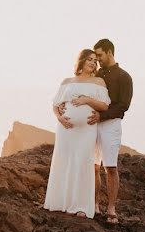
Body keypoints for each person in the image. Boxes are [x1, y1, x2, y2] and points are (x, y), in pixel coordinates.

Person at [44, 49, 110, 218]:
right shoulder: (67, 81)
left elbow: (105, 106)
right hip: (66, 129)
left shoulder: (99, 82)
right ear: (81, 61)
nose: (93, 63)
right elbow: (55, 104)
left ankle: (81, 206)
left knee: (83, 162)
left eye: (95, 60)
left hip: (86, 129)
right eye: (89, 59)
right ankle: (59, 202)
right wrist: (60, 118)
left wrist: (87, 100)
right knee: (64, 160)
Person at [73, 38, 133, 224]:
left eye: (99, 55)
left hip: (111, 125)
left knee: (110, 167)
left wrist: (102, 117)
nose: (96, 59)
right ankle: (95, 205)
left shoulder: (124, 77)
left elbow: (123, 106)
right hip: (92, 123)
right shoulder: (96, 75)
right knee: (93, 166)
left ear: (109, 52)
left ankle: (112, 209)